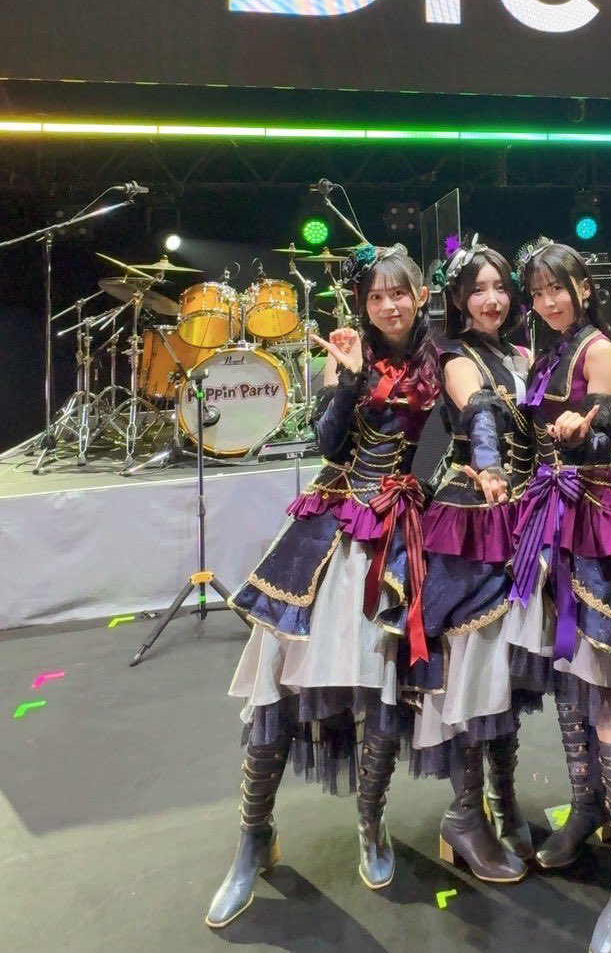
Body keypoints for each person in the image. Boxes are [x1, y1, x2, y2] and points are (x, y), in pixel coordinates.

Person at [204, 243, 440, 928]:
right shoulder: (346, 353)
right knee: (278, 678)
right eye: (376, 296)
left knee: (379, 681)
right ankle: (254, 835)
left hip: (396, 533)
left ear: (421, 295)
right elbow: (331, 446)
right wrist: (346, 380)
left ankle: (371, 819)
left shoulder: (443, 359)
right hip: (329, 525)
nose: (389, 305)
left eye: (399, 293)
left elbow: (444, 446)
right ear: (363, 303)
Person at [505, 239, 611, 953]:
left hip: (593, 518)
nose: (548, 301)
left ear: (584, 289)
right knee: (567, 678)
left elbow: (607, 428)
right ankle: (587, 804)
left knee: (605, 679)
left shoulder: (597, 349)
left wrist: (581, 427)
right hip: (547, 517)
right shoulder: (549, 350)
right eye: (537, 293)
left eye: (557, 288)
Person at [412, 235, 536, 882]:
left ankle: (502, 796)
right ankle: (464, 812)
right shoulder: (455, 356)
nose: (492, 299)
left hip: (520, 514)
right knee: (472, 662)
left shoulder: (517, 353)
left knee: (504, 667)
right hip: (472, 516)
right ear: (458, 300)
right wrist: (488, 467)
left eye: (499, 287)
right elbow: (480, 414)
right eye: (477, 289)